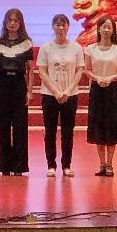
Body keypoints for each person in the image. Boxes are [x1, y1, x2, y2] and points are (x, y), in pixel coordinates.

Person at [36, 14, 84, 177]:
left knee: (67, 132)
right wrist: (56, 92)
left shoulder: (76, 48)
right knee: (50, 131)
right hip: (50, 95)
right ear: (53, 27)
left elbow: (79, 70)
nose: (61, 28)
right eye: (57, 25)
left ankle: (66, 165)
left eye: (63, 25)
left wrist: (68, 91)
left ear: (68, 27)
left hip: (70, 95)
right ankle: (51, 165)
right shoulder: (46, 48)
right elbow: (42, 71)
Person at [84, 15, 117, 177]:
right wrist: (97, 78)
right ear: (99, 29)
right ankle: (101, 164)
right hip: (97, 89)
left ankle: (110, 164)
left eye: (110, 27)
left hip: (112, 89)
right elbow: (87, 69)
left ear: (113, 30)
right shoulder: (90, 49)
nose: (107, 30)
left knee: (112, 124)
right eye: (104, 27)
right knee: (98, 125)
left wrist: (111, 78)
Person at [0, 8, 34, 176]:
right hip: (2, 85)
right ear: (5, 22)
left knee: (20, 127)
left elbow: (30, 69)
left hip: (18, 85)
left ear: (20, 23)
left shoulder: (26, 43)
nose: (12, 23)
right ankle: (4, 166)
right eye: (9, 20)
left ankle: (19, 167)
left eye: (16, 20)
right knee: (2, 127)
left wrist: (29, 91)